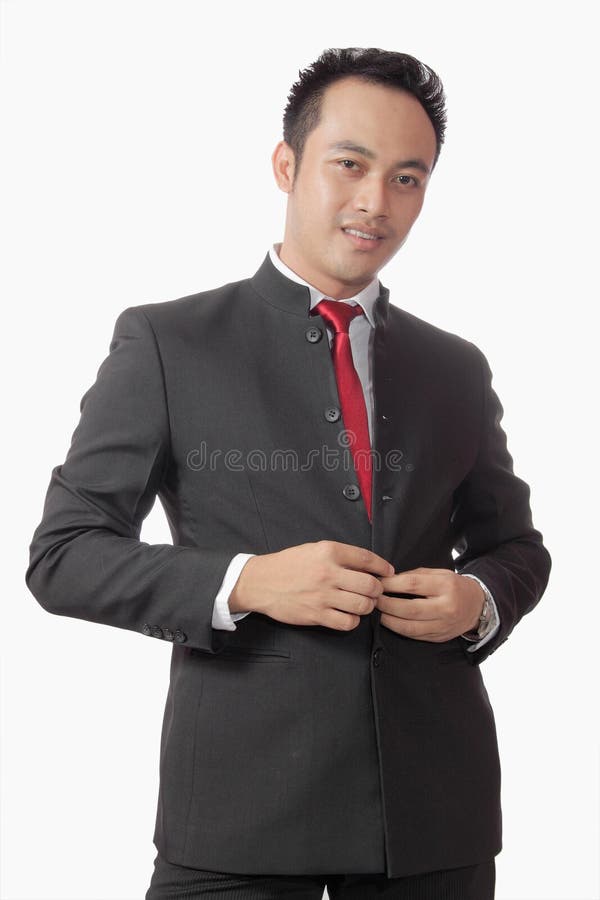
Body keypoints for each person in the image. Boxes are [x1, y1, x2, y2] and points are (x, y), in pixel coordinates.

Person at [25, 47, 551, 900]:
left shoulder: (456, 366)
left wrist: (480, 599)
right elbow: (64, 555)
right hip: (237, 821)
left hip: (434, 822)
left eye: (408, 177)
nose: (375, 202)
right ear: (286, 164)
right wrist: (248, 582)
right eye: (350, 164)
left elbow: (517, 546)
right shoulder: (168, 342)